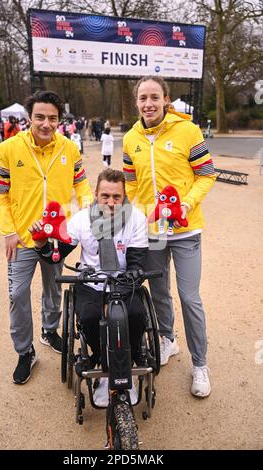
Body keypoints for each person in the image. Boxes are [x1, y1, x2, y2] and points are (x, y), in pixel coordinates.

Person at [123, 76, 216, 398]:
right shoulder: (130, 138)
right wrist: (137, 211)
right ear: (136, 102)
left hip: (186, 230)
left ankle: (200, 365)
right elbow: (130, 184)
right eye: (142, 98)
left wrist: (185, 204)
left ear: (165, 99)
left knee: (190, 297)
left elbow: (206, 174)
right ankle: (167, 339)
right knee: (159, 292)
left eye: (154, 97)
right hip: (153, 234)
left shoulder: (188, 131)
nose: (148, 104)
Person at [0, 90, 93, 385]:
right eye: (40, 117)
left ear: (60, 119)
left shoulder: (69, 148)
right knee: (16, 295)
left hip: (56, 237)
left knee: (53, 288)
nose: (46, 123)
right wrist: (9, 231)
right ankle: (25, 352)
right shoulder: (8, 149)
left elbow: (82, 182)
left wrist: (86, 207)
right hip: (23, 239)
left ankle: (50, 330)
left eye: (52, 118)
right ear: (29, 118)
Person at [31, 168, 148, 406]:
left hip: (123, 281)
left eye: (117, 197)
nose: (111, 202)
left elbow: (137, 261)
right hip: (91, 281)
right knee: (90, 316)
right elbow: (55, 257)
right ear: (96, 194)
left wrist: (133, 277)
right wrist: (41, 242)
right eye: (105, 196)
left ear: (124, 196)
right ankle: (101, 358)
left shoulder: (136, 218)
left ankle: (132, 355)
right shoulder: (81, 219)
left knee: (136, 314)